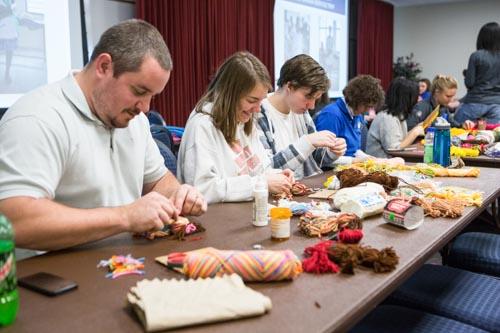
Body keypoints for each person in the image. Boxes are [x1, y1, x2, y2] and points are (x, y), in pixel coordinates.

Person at [0, 19, 207, 251]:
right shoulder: (37, 118)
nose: (146, 108)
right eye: (139, 91)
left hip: (120, 266)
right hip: (50, 280)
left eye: (152, 96)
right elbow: (14, 220)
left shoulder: (134, 120)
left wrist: (179, 194)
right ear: (104, 66)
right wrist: (125, 217)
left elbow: (157, 180)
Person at [177, 52, 293, 204]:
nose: (258, 109)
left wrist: (277, 176)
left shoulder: (244, 119)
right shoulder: (202, 126)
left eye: (261, 101)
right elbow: (202, 190)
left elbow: (259, 169)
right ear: (230, 94)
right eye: (252, 100)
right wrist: (262, 183)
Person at [256, 54, 346, 180]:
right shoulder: (259, 112)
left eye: (315, 99)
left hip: (305, 189)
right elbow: (269, 171)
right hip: (281, 195)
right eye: (308, 97)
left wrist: (332, 152)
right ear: (290, 87)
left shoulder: (300, 112)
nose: (312, 106)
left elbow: (316, 158)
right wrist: (307, 142)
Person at [314, 74, 385, 159]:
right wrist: (355, 161)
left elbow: (354, 150)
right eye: (366, 106)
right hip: (328, 171)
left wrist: (368, 158)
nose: (368, 110)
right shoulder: (331, 115)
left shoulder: (357, 114)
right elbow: (321, 157)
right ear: (357, 99)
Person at [455, 22, 500, 129]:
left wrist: (466, 75)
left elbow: (469, 83)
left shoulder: (476, 56)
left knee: (458, 131)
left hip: (474, 103)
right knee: (493, 138)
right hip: (497, 105)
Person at [367, 77, 424, 158]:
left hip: (390, 163)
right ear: (406, 98)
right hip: (380, 166)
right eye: (415, 96)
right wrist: (414, 133)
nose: (417, 100)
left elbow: (400, 140)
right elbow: (393, 149)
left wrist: (416, 129)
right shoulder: (387, 117)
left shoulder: (398, 114)